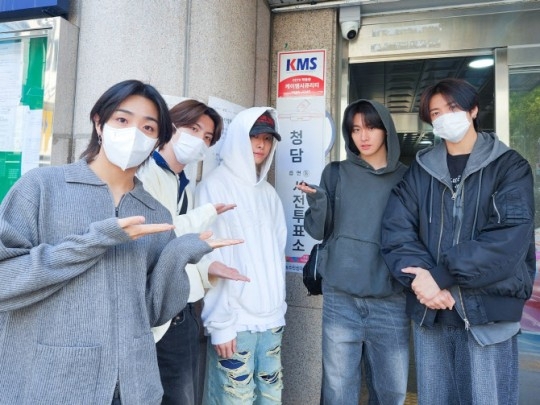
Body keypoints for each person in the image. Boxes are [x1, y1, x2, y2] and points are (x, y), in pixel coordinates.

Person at [0, 79, 241, 405]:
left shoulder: (153, 210)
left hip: (132, 387)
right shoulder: (43, 187)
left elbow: (153, 313)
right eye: (123, 120)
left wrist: (178, 253)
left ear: (158, 139)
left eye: (148, 127)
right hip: (52, 383)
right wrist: (96, 241)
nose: (134, 134)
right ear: (99, 123)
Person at [381, 78, 536, 405]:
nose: (444, 117)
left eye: (452, 108)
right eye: (436, 112)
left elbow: (508, 240)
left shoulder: (509, 167)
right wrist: (424, 282)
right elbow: (397, 231)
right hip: (432, 313)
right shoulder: (420, 171)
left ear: (473, 109)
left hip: (487, 314)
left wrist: (441, 277)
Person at [137, 99, 250, 405]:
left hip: (181, 313)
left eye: (208, 137)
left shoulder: (182, 183)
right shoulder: (144, 174)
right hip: (150, 314)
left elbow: (181, 247)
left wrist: (208, 267)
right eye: (193, 128)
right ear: (170, 126)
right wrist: (207, 213)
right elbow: (160, 233)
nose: (200, 140)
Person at [297, 99, 410, 404]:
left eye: (371, 126)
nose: (364, 135)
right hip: (341, 299)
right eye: (356, 128)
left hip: (390, 300)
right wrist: (318, 203)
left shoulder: (407, 178)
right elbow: (318, 231)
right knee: (338, 392)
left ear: (386, 129)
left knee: (391, 393)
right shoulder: (334, 173)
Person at [194, 107, 287, 404]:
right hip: (235, 324)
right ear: (237, 139)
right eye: (253, 137)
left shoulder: (269, 194)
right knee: (234, 398)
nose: (261, 145)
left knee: (271, 396)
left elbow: (278, 254)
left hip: (271, 322)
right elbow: (208, 258)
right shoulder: (213, 186)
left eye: (267, 139)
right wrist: (220, 325)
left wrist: (278, 310)